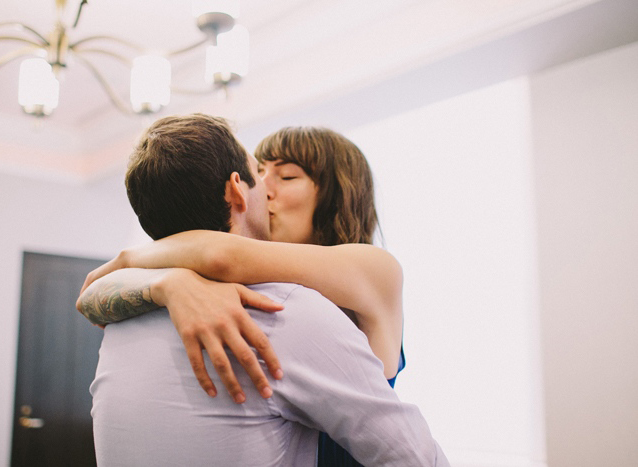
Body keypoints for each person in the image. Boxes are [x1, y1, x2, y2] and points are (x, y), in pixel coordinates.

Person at [82, 114, 448, 466]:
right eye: (262, 170)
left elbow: (221, 253)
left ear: (337, 196)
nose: (266, 187)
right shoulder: (248, 285)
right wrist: (168, 283)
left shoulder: (374, 267)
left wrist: (137, 263)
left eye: (286, 175)